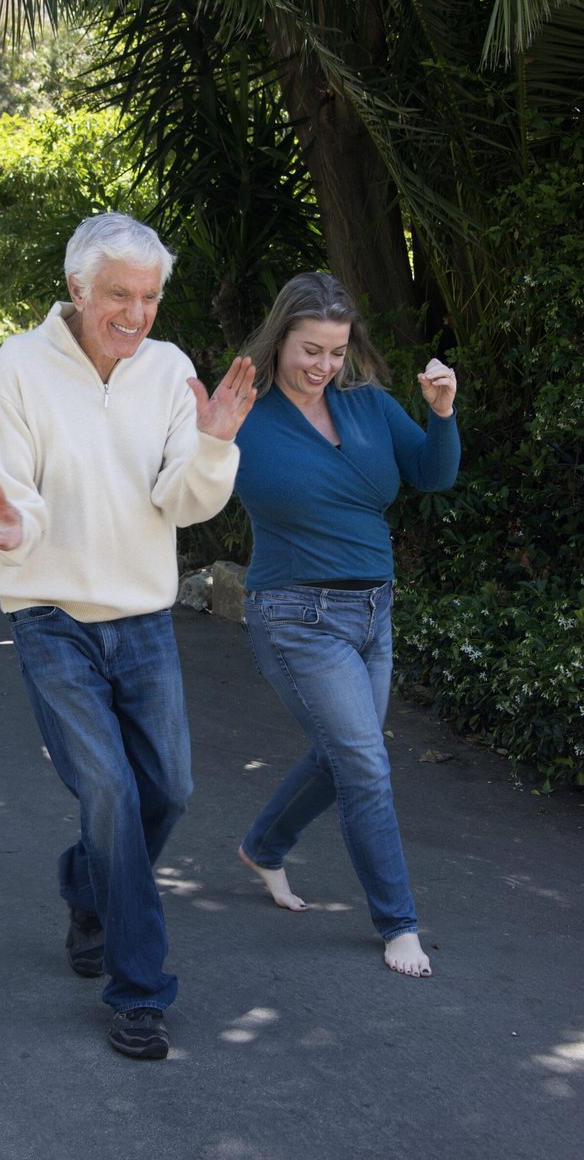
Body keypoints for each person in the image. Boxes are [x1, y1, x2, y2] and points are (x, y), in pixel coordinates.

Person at [0, 213, 256, 1059]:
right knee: (113, 796)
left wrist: (212, 447)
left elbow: (181, 502)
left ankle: (84, 886)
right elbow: (15, 488)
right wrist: (16, 530)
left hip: (141, 614)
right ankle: (140, 991)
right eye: (119, 295)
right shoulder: (20, 365)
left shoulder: (167, 371)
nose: (136, 313)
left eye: (151, 296)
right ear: (77, 290)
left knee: (169, 790)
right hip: (50, 614)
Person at [234, 272, 459, 978]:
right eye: (311, 349)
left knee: (345, 756)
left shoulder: (366, 404)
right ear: (279, 340)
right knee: (365, 763)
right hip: (295, 614)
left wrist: (444, 414)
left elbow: (431, 474)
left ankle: (263, 846)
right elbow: (182, 483)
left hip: (373, 611)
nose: (324, 366)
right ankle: (399, 925)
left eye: (336, 350)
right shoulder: (243, 413)